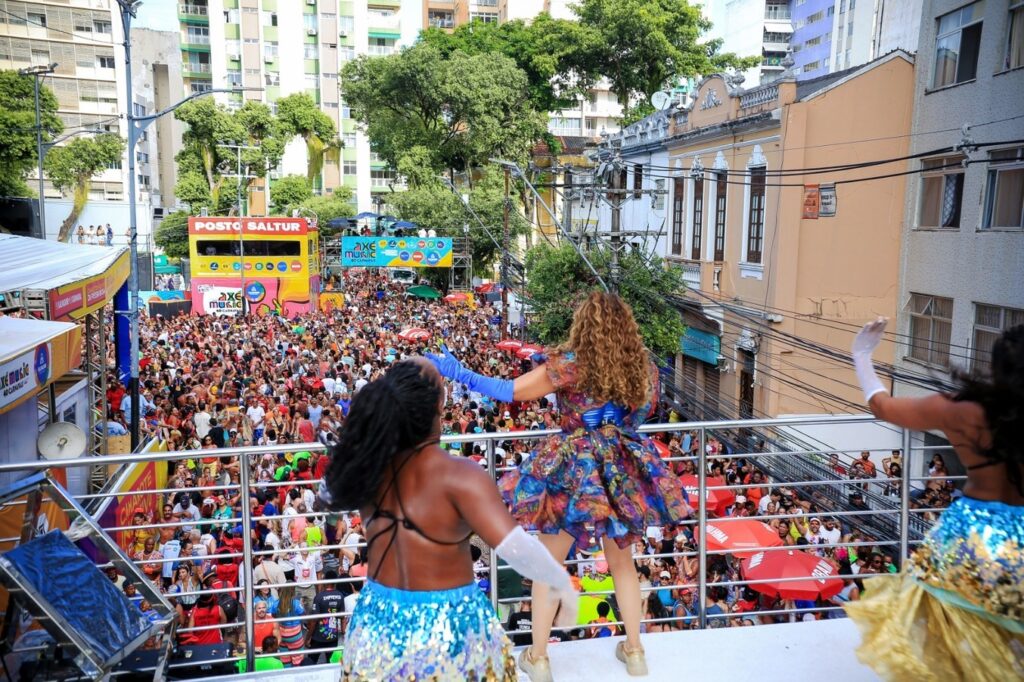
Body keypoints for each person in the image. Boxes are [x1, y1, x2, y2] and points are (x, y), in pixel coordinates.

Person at [429, 291, 689, 679]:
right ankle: (635, 652)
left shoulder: (570, 365)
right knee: (623, 563)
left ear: (583, 324)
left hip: (575, 468)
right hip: (620, 464)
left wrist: (457, 372)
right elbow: (641, 413)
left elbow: (510, 391)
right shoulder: (642, 366)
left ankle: (539, 659)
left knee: (550, 564)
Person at [324, 360, 577, 681]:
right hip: (453, 628)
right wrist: (562, 586)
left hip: (377, 625)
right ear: (440, 405)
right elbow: (517, 550)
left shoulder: (366, 466)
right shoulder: (462, 476)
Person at [844, 319, 1024, 681]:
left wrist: (862, 355)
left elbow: (883, 406)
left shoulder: (961, 411)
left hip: (968, 540)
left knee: (958, 640)